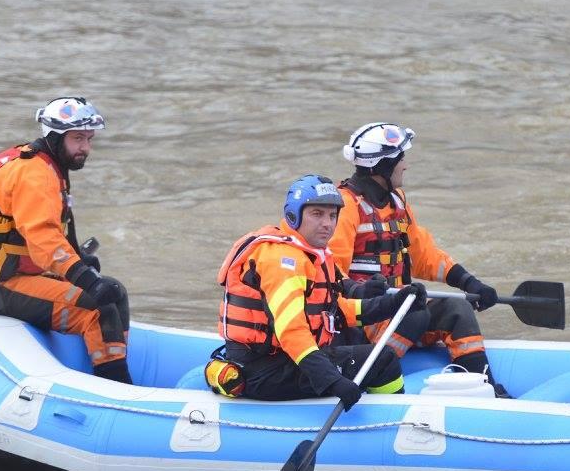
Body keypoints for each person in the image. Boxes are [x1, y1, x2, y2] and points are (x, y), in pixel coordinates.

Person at [0, 96, 132, 383]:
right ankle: (116, 387)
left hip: (18, 275)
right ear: (54, 136)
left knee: (114, 291)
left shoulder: (42, 163)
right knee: (97, 306)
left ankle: (115, 373)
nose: (85, 148)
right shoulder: (34, 174)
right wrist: (86, 279)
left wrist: (80, 260)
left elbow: (47, 229)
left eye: (89, 139)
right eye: (78, 139)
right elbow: (42, 238)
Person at [327, 121, 510, 396]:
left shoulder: (397, 201)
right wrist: (363, 293)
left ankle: (485, 387)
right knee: (415, 310)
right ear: (382, 166)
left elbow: (423, 255)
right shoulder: (346, 208)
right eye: (400, 159)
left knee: (456, 309)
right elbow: (330, 272)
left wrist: (470, 283)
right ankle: (374, 369)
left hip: (401, 307)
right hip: (364, 318)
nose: (405, 165)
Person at [205, 174, 418, 407]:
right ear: (293, 216)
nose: (327, 223)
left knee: (365, 349)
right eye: (317, 214)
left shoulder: (310, 253)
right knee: (382, 359)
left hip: (281, 362)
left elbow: (334, 311)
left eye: (333, 215)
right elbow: (292, 331)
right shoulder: (282, 261)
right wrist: (331, 380)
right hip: (265, 371)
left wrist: (396, 303)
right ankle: (393, 421)